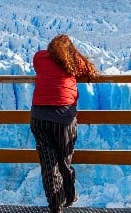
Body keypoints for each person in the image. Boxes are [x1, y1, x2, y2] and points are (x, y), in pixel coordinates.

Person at [30, 34, 99, 212]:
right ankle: (69, 196)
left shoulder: (40, 57)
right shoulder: (73, 61)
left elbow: (37, 65)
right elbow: (88, 70)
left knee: (48, 163)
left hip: (39, 117)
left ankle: (56, 205)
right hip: (64, 119)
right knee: (63, 161)